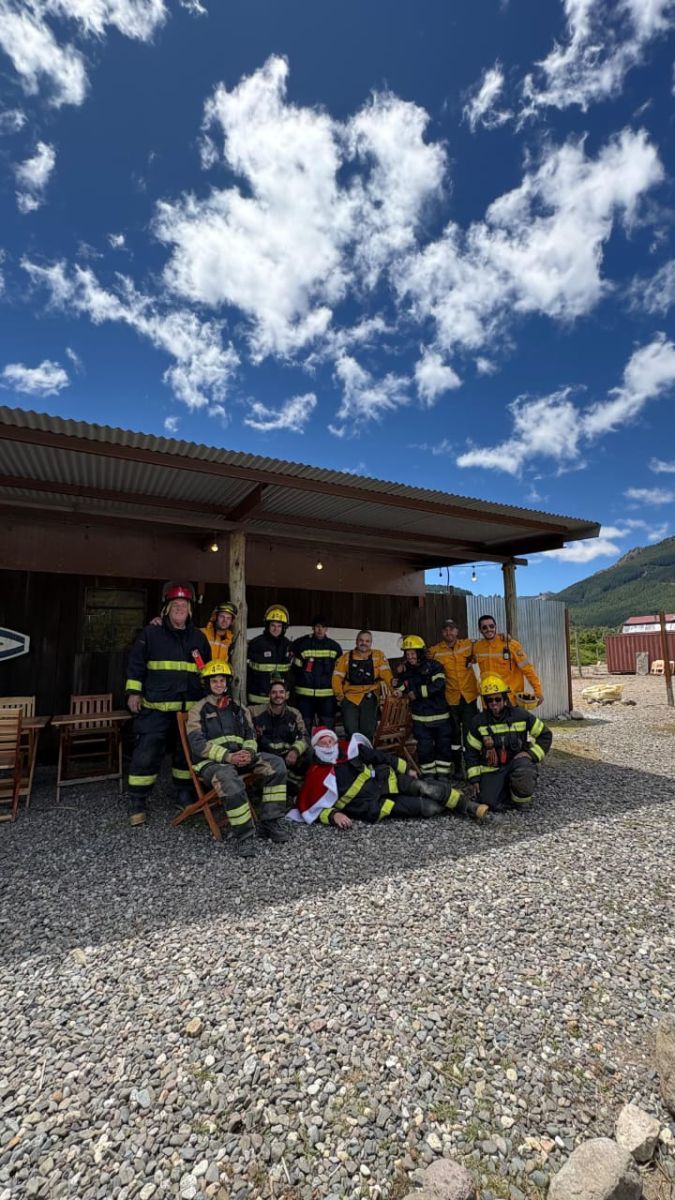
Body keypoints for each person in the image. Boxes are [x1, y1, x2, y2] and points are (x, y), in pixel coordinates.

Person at [125, 581, 211, 827]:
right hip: (156, 710)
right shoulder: (151, 634)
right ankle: (137, 800)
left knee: (185, 757)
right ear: (166, 609)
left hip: (187, 712)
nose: (180, 609)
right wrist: (133, 692)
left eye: (184, 605)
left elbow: (205, 672)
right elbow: (136, 665)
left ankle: (183, 793)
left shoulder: (199, 638)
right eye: (175, 605)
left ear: (190, 610)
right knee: (146, 754)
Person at [186, 661, 291, 857]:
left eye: (222, 680)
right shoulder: (197, 710)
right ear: (207, 683)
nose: (218, 684)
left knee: (276, 764)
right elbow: (198, 745)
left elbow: (250, 735)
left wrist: (249, 753)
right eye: (214, 681)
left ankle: (270, 822)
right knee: (229, 780)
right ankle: (245, 836)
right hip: (213, 763)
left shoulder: (238, 708)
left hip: (241, 757)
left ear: (227, 683)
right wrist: (228, 756)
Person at [288, 727, 489, 826]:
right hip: (374, 806)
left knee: (425, 787)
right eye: (322, 743)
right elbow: (314, 808)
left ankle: (468, 807)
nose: (328, 746)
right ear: (316, 747)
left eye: (329, 741)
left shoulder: (349, 749)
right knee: (427, 808)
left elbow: (379, 756)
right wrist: (334, 815)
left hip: (385, 780)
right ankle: (455, 799)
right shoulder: (316, 775)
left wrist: (405, 768)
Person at [465, 675, 552, 812]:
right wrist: (474, 779)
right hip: (492, 769)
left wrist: (531, 754)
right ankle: (504, 790)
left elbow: (545, 735)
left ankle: (520, 800)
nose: (494, 703)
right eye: (489, 700)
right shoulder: (478, 722)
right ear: (485, 702)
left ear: (504, 699)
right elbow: (471, 752)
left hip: (516, 764)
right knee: (489, 803)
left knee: (525, 769)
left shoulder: (521, 715)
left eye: (497, 699)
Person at [393, 635, 452, 779]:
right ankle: (429, 775)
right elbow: (403, 685)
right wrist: (398, 690)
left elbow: (439, 685)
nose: (410, 656)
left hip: (440, 715)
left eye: (413, 653)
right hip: (420, 717)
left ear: (420, 653)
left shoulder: (434, 666)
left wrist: (418, 693)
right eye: (407, 654)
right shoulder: (406, 670)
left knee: (442, 745)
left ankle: (443, 776)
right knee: (424, 747)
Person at [429, 618, 480, 777]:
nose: (449, 632)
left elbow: (487, 645)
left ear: (457, 631)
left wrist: (504, 637)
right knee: (454, 734)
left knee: (470, 733)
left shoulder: (468, 645)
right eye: (445, 629)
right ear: (441, 632)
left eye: (452, 629)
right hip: (450, 699)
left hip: (469, 697)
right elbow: (419, 661)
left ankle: (472, 766)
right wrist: (404, 665)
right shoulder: (435, 651)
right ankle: (458, 768)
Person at [250, 678, 310, 792]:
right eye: (274, 692)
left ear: (287, 695)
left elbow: (304, 736)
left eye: (281, 692)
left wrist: (295, 751)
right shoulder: (255, 712)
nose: (278, 695)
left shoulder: (294, 713)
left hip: (288, 756)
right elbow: (240, 713)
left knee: (311, 753)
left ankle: (296, 782)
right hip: (267, 757)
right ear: (269, 695)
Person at [470, 614, 544, 708]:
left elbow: (527, 669)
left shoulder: (511, 645)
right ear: (480, 630)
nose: (489, 629)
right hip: (489, 699)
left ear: (495, 627)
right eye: (484, 627)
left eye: (491, 626)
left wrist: (538, 691)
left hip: (510, 698)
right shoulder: (477, 647)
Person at [332, 630, 392, 742]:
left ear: (371, 643)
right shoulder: (345, 658)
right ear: (356, 641)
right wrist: (340, 697)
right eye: (361, 640)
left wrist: (394, 690)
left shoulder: (378, 655)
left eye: (367, 641)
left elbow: (388, 676)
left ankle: (367, 755)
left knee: (368, 730)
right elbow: (336, 678)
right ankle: (354, 756)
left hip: (369, 696)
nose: (364, 643)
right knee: (351, 729)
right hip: (350, 698)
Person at [292, 615, 342, 730]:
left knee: (327, 728)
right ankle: (305, 748)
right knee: (303, 727)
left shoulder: (334, 647)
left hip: (327, 696)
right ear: (313, 628)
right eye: (318, 627)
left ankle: (326, 748)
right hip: (305, 696)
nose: (320, 630)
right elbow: (296, 669)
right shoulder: (302, 645)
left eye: (323, 627)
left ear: (326, 629)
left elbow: (339, 672)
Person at [247, 604, 295, 705]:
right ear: (267, 625)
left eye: (279, 626)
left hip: (280, 700)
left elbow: (291, 673)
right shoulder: (256, 643)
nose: (276, 629)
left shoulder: (288, 645)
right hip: (258, 698)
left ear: (284, 628)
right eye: (273, 625)